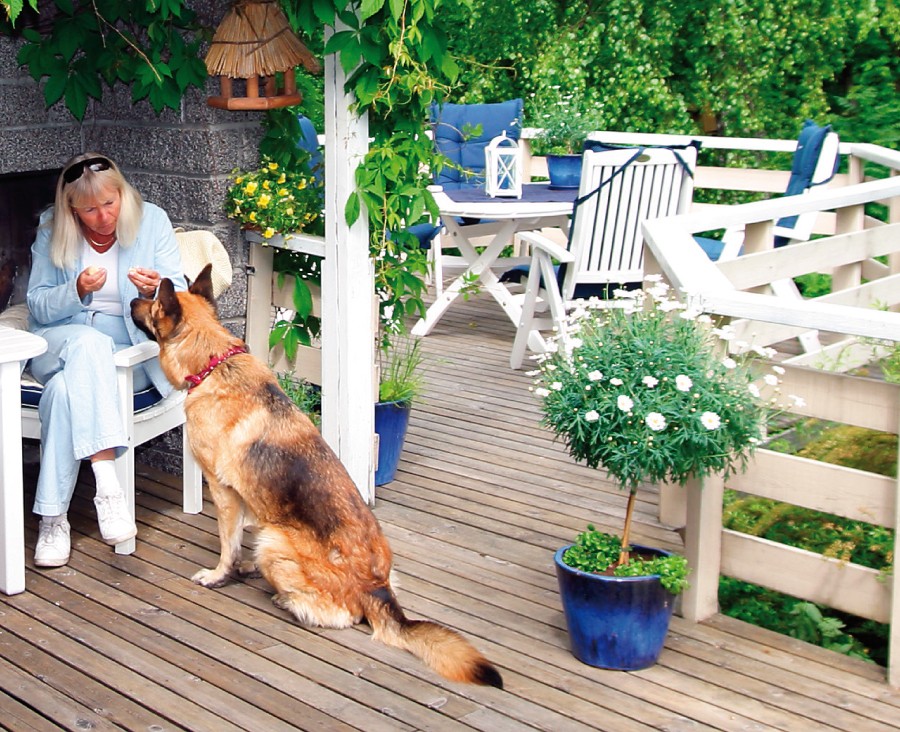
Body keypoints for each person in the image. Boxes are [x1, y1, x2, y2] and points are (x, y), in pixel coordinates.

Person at [26, 153, 187, 567]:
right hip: (61, 340)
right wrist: (76, 290)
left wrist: (156, 291)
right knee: (87, 344)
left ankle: (52, 519)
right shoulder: (51, 228)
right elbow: (38, 307)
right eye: (89, 210)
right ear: (71, 210)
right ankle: (107, 486)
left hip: (126, 352)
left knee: (63, 393)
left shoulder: (153, 221)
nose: (101, 217)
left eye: (109, 204)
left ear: (122, 194)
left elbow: (180, 296)